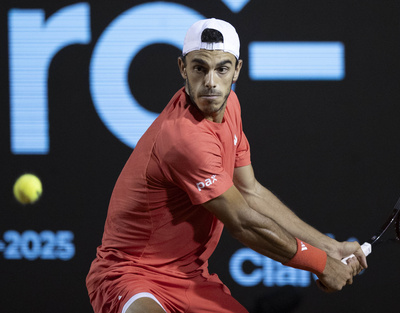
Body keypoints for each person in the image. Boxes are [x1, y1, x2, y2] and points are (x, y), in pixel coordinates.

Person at [86, 18, 368, 313]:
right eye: (199, 68)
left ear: (237, 71)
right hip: (131, 274)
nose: (210, 82)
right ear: (183, 68)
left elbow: (250, 191)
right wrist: (321, 264)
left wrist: (331, 247)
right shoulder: (184, 137)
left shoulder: (230, 104)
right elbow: (243, 222)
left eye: (221, 68)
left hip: (189, 278)